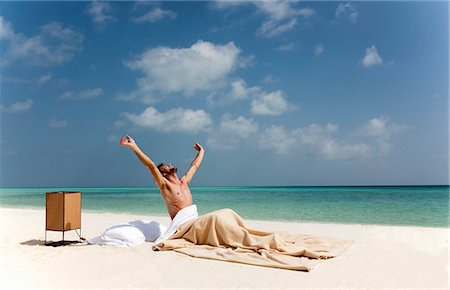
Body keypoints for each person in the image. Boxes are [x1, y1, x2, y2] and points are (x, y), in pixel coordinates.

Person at [119, 135, 204, 220]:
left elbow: (195, 166)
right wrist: (134, 146)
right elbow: (151, 166)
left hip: (193, 220)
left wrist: (201, 151)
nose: (170, 164)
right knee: (213, 218)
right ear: (163, 174)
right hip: (181, 226)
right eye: (166, 166)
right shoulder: (165, 185)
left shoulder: (184, 182)